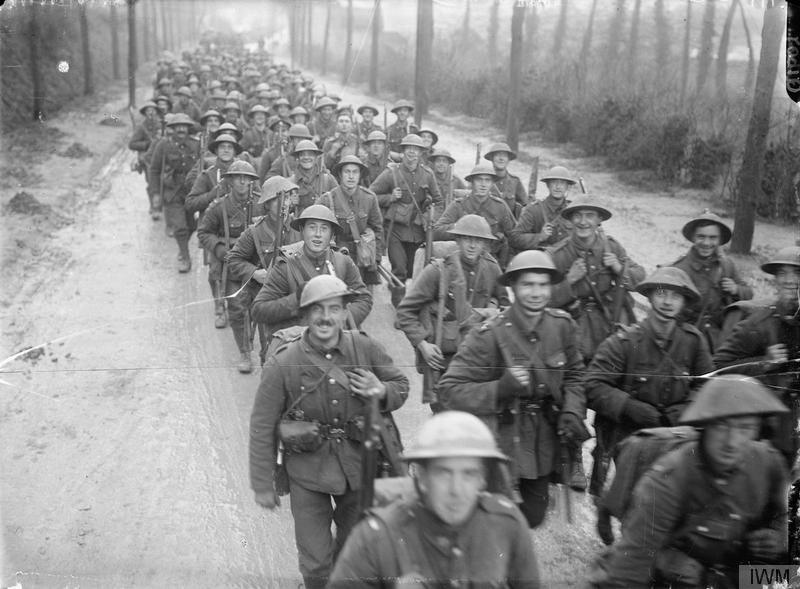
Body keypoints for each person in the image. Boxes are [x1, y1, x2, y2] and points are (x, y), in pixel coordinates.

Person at [249, 274, 409, 589]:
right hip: (306, 473)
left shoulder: (364, 348)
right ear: (305, 315)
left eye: (334, 308)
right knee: (315, 562)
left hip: (359, 468)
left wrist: (380, 389)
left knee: (354, 550)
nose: (325, 317)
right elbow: (262, 425)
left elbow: (401, 385)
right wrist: (262, 484)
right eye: (317, 310)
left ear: (344, 312)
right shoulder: (285, 362)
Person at [588, 375, 789, 589]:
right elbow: (627, 573)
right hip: (677, 581)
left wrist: (781, 537)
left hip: (732, 579)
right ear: (704, 426)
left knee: (786, 579)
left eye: (745, 428)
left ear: (758, 430)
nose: (732, 441)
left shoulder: (768, 463)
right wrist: (661, 561)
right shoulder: (667, 480)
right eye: (722, 426)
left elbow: (787, 529)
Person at [437, 250, 587, 528]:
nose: (536, 293)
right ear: (514, 287)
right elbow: (449, 389)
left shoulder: (562, 326)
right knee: (493, 518)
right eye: (528, 284)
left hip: (542, 438)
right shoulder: (488, 334)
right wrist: (500, 388)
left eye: (542, 285)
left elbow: (576, 375)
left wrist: (573, 410)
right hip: (499, 437)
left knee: (533, 515)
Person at [328, 411, 541, 589]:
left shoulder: (505, 523)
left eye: (468, 474)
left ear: (482, 479)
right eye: (444, 473)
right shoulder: (374, 538)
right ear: (422, 477)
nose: (456, 490)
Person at [583, 267, 714, 544]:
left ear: (684, 303)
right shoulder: (624, 342)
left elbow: (708, 385)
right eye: (662, 293)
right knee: (637, 504)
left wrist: (687, 409)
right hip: (628, 436)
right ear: (651, 298)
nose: (667, 301)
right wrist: (630, 407)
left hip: (675, 435)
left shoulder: (693, 343)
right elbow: (593, 385)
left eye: (675, 296)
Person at [396, 215, 509, 413]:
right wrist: (423, 345)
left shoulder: (492, 269)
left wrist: (491, 312)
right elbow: (406, 311)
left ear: (485, 243)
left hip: (479, 360)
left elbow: (507, 310)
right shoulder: (438, 271)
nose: (473, 245)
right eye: (467, 239)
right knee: (446, 421)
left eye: (478, 240)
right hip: (444, 360)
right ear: (457, 240)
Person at [713, 246, 800, 467]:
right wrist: (763, 363)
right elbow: (718, 368)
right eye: (782, 274)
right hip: (759, 429)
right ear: (774, 281)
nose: (790, 281)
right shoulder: (758, 323)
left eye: (797, 273)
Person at [547, 198, 645, 361]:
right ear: (570, 220)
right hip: (575, 322)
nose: (583, 222)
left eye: (590, 216)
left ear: (599, 220)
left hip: (609, 319)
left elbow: (640, 277)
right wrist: (569, 280)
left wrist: (619, 269)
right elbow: (544, 299)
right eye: (577, 216)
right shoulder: (558, 254)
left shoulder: (611, 246)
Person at [251, 204, 372, 333]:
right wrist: (297, 299)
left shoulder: (342, 262)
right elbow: (259, 310)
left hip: (336, 339)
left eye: (324, 229)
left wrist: (340, 320)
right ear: (302, 230)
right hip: (299, 345)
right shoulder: (286, 265)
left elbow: (364, 299)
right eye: (312, 227)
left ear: (332, 235)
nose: (318, 234)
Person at [227, 176, 301, 365]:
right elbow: (233, 259)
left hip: (297, 298)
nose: (283, 203)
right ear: (267, 204)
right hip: (269, 300)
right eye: (278, 199)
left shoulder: (300, 228)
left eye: (286, 198)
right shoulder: (255, 232)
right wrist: (254, 273)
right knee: (271, 350)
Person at [197, 161, 261, 373]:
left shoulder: (261, 205)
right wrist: (219, 249)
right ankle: (245, 352)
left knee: (262, 308)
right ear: (231, 181)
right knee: (237, 309)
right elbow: (204, 232)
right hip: (231, 266)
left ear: (252, 181)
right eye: (238, 177)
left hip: (257, 264)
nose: (243, 181)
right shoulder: (219, 207)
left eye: (247, 177)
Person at [670, 211, 753, 352]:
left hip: (720, 338)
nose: (707, 243)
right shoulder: (679, 268)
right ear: (692, 238)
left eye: (713, 238)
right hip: (689, 338)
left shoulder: (727, 265)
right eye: (701, 237)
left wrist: (735, 289)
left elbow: (749, 294)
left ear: (719, 240)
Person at [369, 134, 442, 283]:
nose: (412, 152)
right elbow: (370, 195)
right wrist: (390, 198)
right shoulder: (391, 173)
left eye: (416, 149)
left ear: (421, 153)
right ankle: (399, 304)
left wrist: (431, 218)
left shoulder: (428, 175)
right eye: (409, 148)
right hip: (395, 230)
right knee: (399, 270)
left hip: (418, 231)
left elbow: (439, 201)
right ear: (403, 151)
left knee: (412, 270)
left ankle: (402, 295)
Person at [316, 155, 384, 288]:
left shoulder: (369, 198)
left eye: (355, 172)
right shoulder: (327, 199)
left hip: (362, 256)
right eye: (347, 172)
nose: (351, 176)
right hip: (336, 254)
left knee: (362, 296)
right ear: (340, 175)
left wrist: (376, 259)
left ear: (360, 175)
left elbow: (377, 229)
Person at [434, 164, 516, 269]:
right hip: (461, 259)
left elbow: (514, 236)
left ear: (492, 184)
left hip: (489, 261)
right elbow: (436, 231)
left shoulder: (500, 207)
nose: (483, 184)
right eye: (479, 180)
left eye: (487, 180)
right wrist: (459, 226)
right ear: (472, 182)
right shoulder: (459, 205)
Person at [149, 113, 201, 273]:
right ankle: (185, 257)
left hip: (191, 192)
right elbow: (154, 170)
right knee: (180, 227)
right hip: (172, 192)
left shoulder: (196, 145)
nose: (180, 129)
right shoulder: (163, 145)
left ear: (188, 128)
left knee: (192, 225)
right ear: (172, 128)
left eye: (183, 126)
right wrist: (156, 193)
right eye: (177, 126)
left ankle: (182, 246)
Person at [509, 165, 577, 251]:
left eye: (562, 183)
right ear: (548, 185)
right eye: (554, 182)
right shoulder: (534, 210)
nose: (558, 186)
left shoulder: (573, 211)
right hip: (541, 259)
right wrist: (540, 237)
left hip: (566, 258)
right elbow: (514, 238)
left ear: (568, 186)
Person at [128, 100, 164, 220]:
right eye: (148, 111)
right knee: (152, 183)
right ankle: (154, 207)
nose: (151, 113)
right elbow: (132, 144)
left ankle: (161, 205)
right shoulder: (141, 128)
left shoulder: (161, 125)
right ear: (145, 113)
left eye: (153, 111)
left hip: (161, 156)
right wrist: (147, 144)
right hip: (148, 159)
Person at [288, 139, 338, 215]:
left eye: (310, 154)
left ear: (316, 157)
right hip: (301, 224)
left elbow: (340, 204)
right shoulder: (291, 182)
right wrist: (290, 204)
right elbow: (281, 214)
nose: (306, 157)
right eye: (302, 154)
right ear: (298, 158)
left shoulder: (328, 179)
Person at [484, 142, 528, 218]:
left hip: (509, 226)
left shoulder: (515, 181)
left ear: (508, 159)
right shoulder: (483, 180)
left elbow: (525, 206)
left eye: (504, 156)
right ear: (492, 158)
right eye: (497, 155)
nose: (501, 159)